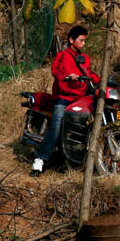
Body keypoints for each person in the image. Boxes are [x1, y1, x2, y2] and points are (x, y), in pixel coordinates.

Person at [31, 25, 100, 177]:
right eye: (81, 40)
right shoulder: (62, 56)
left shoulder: (84, 59)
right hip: (63, 98)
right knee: (56, 126)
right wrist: (68, 75)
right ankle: (40, 159)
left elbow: (90, 74)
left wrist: (103, 81)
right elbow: (55, 70)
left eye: (84, 41)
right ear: (71, 40)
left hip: (79, 99)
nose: (84, 44)